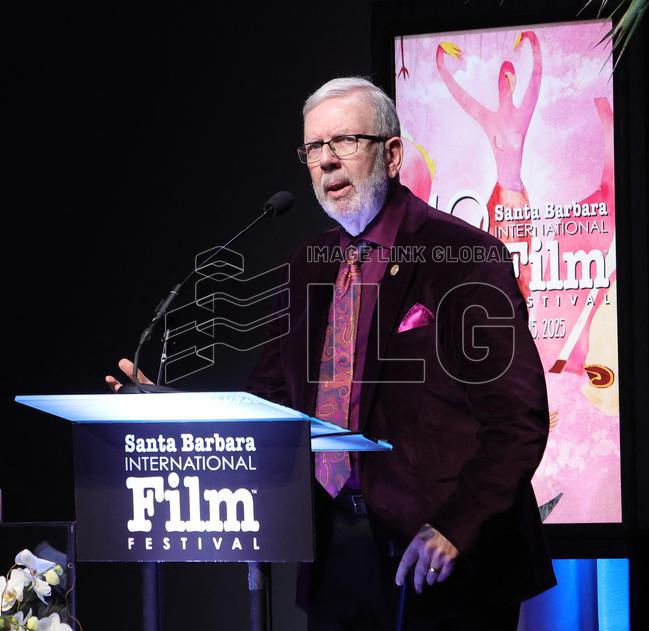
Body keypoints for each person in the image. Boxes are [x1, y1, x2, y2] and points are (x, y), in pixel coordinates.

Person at [108, 77, 555, 630]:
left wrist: (454, 528)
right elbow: (268, 400)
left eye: (343, 142)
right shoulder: (308, 265)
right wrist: (167, 406)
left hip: (443, 554)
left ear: (391, 154)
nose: (325, 163)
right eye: (313, 148)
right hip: (339, 550)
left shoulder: (461, 255)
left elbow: (518, 420)